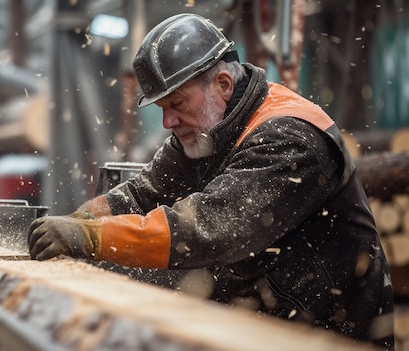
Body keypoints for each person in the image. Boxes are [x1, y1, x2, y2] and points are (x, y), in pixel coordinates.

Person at [28, 13, 395, 348]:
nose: (169, 122)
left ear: (222, 83)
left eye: (177, 104)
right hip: (262, 323)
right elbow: (145, 193)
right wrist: (82, 218)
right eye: (162, 109)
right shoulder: (209, 129)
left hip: (329, 335)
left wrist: (90, 238)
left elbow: (207, 227)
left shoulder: (289, 138)